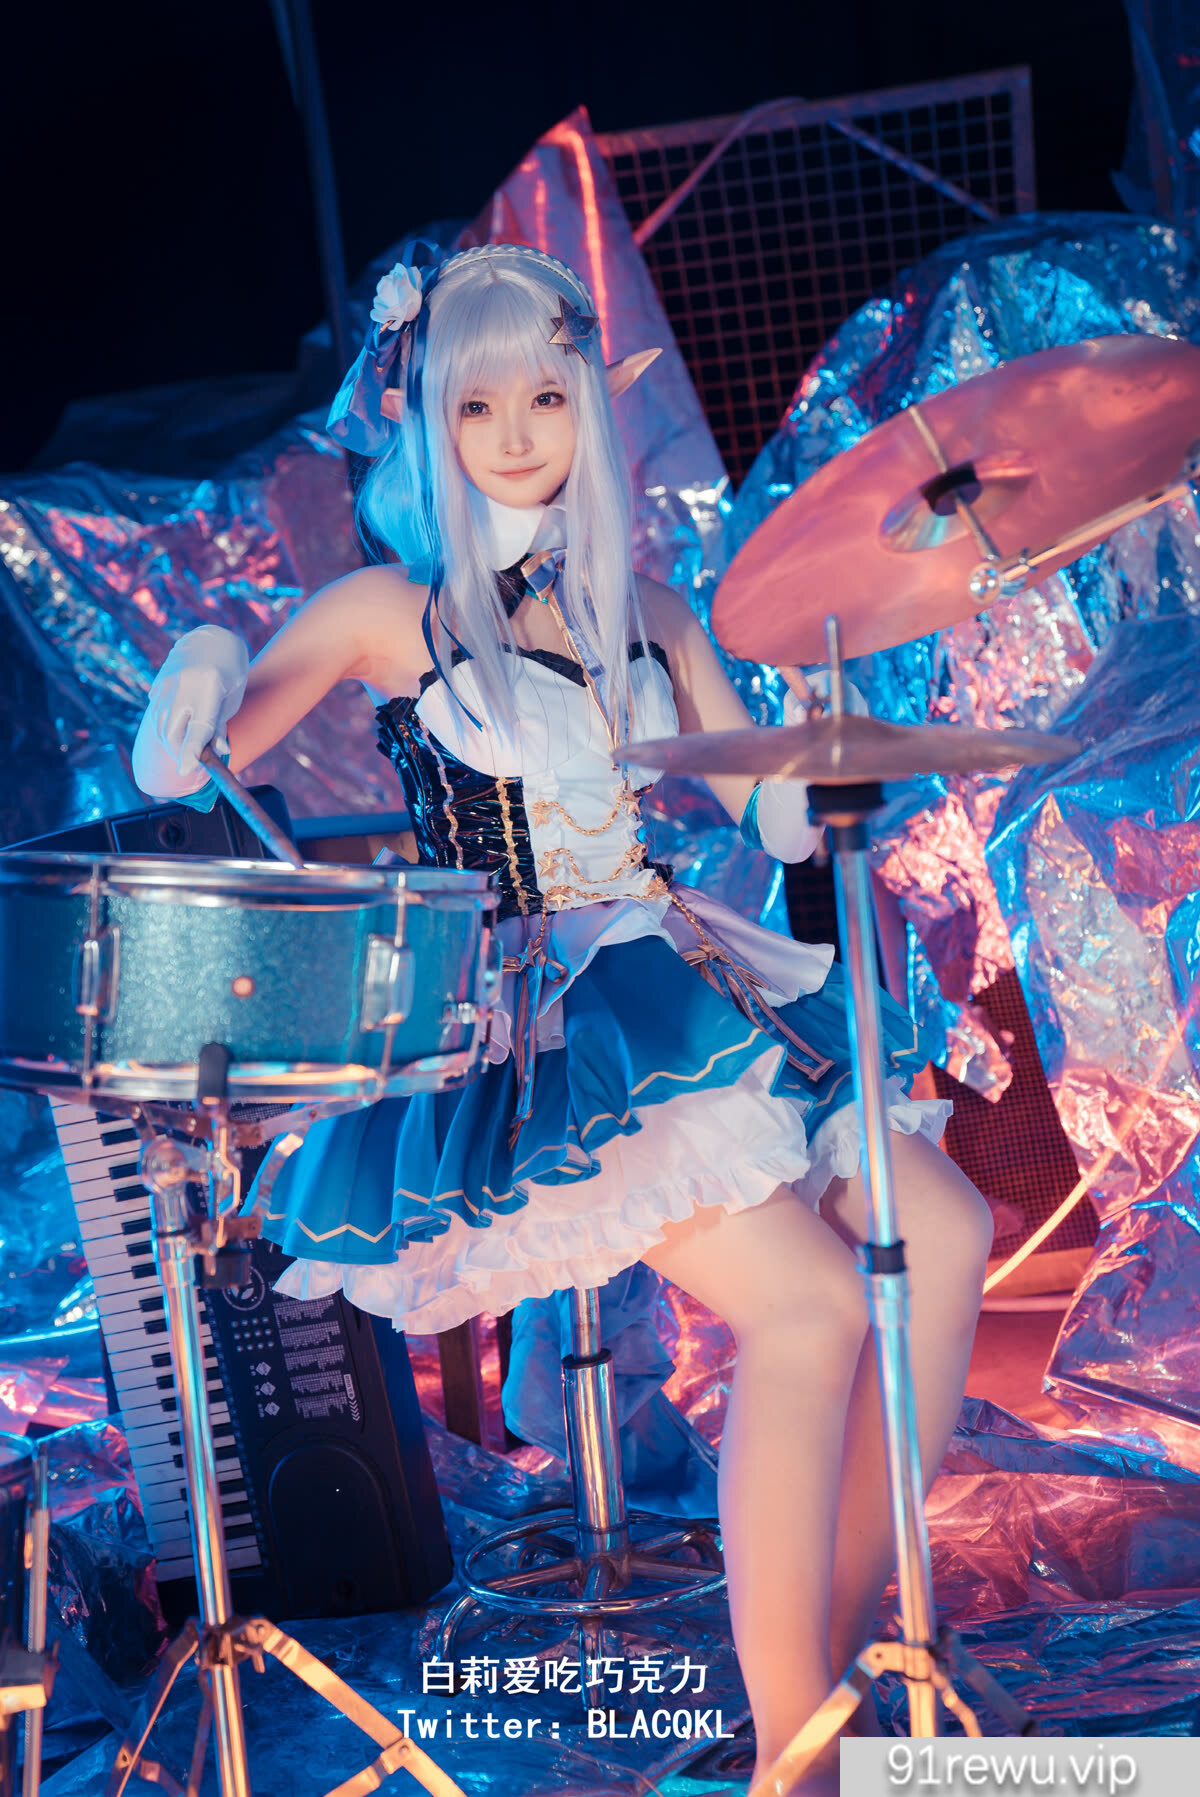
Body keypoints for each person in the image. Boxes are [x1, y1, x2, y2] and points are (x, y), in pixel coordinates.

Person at [132, 243, 992, 1792]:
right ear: (433, 425)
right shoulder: (392, 613)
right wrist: (200, 673)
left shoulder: (648, 611)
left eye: (547, 395)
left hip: (690, 974)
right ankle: (796, 1756)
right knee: (808, 1308)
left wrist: (854, 704)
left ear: (590, 404)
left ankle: (833, 1657)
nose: (519, 432)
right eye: (480, 405)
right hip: (553, 1024)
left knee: (944, 1226)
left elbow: (766, 813)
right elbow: (200, 752)